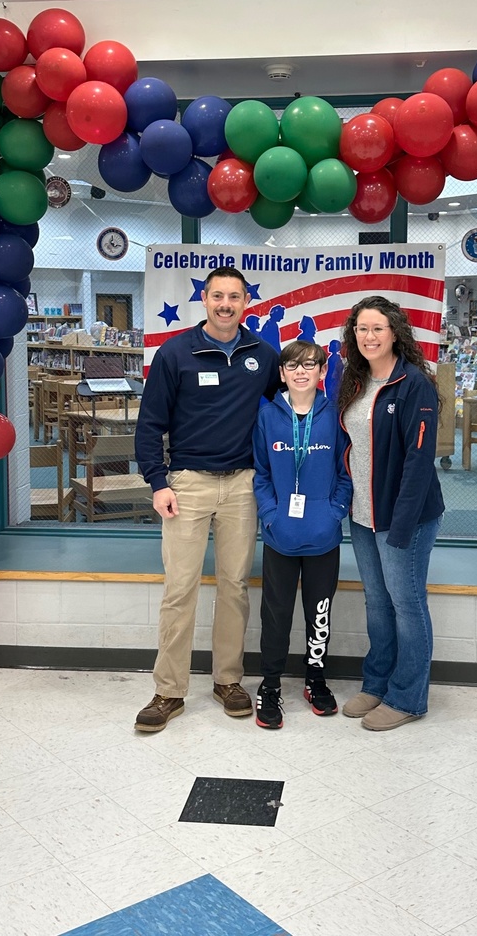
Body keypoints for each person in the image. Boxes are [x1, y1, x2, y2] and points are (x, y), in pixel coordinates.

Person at [134, 267, 280, 732]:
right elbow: (149, 425)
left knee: (235, 587)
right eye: (217, 296)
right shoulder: (175, 353)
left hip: (242, 486)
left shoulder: (264, 354)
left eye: (234, 297)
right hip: (186, 485)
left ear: (245, 303)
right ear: (205, 300)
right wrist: (158, 482)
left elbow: (288, 406)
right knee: (180, 589)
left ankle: (228, 681)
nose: (225, 304)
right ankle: (168, 691)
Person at [338, 295, 444, 731]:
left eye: (377, 328)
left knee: (407, 603)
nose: (369, 336)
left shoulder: (413, 384)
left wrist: (400, 527)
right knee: (378, 603)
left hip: (406, 518)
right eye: (362, 329)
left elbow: (419, 462)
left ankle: (408, 697)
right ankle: (377, 683)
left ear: (396, 332)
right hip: (363, 515)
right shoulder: (355, 380)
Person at [252, 340, 352, 729]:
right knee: (275, 614)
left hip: (323, 535)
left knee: (319, 612)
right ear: (282, 374)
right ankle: (271, 684)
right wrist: (270, 514)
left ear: (322, 372)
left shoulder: (334, 416)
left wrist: (335, 513)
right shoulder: (268, 417)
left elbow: (346, 474)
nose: (301, 372)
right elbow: (260, 474)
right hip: (280, 535)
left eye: (310, 365)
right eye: (292, 365)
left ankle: (315, 678)